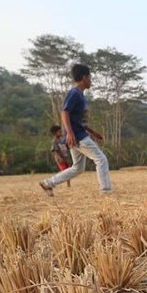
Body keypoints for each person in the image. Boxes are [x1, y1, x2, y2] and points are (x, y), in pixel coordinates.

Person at [39, 64, 111, 195]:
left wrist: (93, 132)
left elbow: (78, 120)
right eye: (90, 77)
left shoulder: (80, 95)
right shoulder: (74, 93)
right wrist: (70, 133)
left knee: (78, 168)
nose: (91, 80)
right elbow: (64, 112)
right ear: (84, 77)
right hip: (78, 136)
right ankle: (105, 190)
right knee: (101, 159)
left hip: (78, 134)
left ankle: (48, 183)